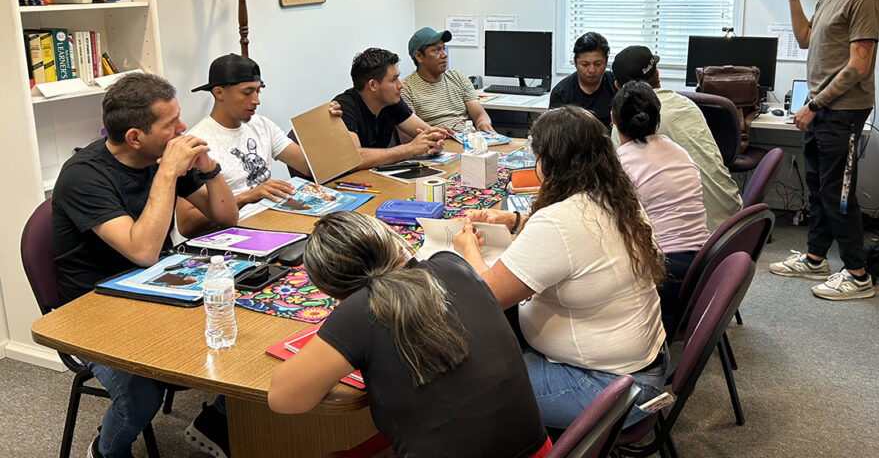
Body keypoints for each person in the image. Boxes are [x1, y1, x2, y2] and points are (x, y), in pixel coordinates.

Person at [50, 73, 238, 458]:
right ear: (136, 137)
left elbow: (226, 217)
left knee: (245, 325)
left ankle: (216, 421)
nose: (183, 129)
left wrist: (209, 168)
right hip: (93, 308)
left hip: (153, 285)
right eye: (171, 124)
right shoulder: (84, 176)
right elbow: (143, 251)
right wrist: (168, 171)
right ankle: (104, 452)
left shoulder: (156, 155)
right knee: (140, 394)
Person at [452, 105, 668, 429]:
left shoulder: (559, 222)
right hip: (640, 366)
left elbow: (486, 296)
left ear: (550, 163)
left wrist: (467, 247)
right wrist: (517, 220)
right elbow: (581, 245)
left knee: (460, 389)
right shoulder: (616, 197)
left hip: (605, 387)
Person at [267, 212, 551, 458]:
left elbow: (283, 399)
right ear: (394, 244)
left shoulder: (359, 312)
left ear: (329, 291)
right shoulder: (451, 264)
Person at [770, 0, 879, 301]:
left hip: (842, 109)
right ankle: (816, 257)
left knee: (838, 193)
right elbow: (804, 39)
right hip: (822, 109)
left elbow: (859, 65)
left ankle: (857, 275)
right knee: (818, 188)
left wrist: (813, 105)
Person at [176, 53, 343, 237]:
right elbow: (186, 226)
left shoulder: (261, 124)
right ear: (219, 92)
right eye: (247, 92)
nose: (256, 100)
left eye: (258, 91)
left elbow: (310, 166)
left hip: (275, 219)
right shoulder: (197, 143)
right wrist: (248, 197)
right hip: (236, 233)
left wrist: (328, 125)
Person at [611, 45, 742, 234]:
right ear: (657, 74)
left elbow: (619, 191)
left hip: (697, 235)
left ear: (617, 87)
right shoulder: (687, 104)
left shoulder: (625, 125)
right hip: (731, 219)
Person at [612, 81, 710, 331]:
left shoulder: (620, 164)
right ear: (658, 118)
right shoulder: (680, 152)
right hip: (703, 268)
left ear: (613, 119)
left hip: (661, 277)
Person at [333, 47, 449, 170]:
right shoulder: (344, 107)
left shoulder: (391, 101)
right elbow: (354, 158)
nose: (400, 85)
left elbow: (428, 133)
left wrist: (435, 142)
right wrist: (410, 148)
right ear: (373, 85)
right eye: (394, 80)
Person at [400, 27, 494, 133]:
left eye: (443, 48)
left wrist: (483, 122)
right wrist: (434, 132)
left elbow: (479, 114)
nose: (444, 55)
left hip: (466, 140)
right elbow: (407, 135)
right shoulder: (405, 88)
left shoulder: (458, 78)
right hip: (436, 144)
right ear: (419, 56)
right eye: (436, 50)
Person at [548, 31, 617, 129]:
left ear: (606, 62)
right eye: (585, 64)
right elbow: (554, 134)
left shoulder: (616, 85)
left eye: (598, 64)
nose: (592, 70)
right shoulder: (561, 93)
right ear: (575, 63)